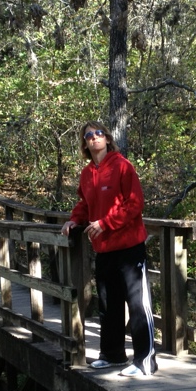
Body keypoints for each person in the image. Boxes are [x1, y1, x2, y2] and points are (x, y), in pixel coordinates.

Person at [61, 121, 158, 376]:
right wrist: (75, 220)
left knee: (138, 304)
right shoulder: (86, 174)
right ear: (84, 143)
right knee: (108, 304)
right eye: (88, 135)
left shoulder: (122, 166)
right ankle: (113, 354)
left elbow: (135, 204)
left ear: (107, 138)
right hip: (104, 249)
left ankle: (145, 360)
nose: (94, 138)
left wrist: (106, 223)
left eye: (98, 133)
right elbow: (85, 203)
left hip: (129, 246)